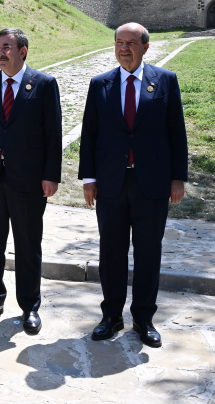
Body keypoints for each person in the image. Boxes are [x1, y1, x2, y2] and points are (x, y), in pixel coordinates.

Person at [78, 23, 188, 348]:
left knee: (148, 251)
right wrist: (89, 179)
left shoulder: (165, 81)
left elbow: (176, 132)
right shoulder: (100, 84)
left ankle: (143, 317)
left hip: (151, 182)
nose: (124, 48)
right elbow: (89, 134)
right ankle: (111, 315)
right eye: (119, 42)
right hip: (111, 182)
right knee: (111, 251)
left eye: (130, 42)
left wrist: (177, 178)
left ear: (145, 47)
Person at [0, 28, 62, 335]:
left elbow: (53, 134)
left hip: (29, 180)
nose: (0, 52)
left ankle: (29, 306)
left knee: (27, 244)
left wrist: (51, 175)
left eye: (6, 47)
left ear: (23, 51)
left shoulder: (44, 84)